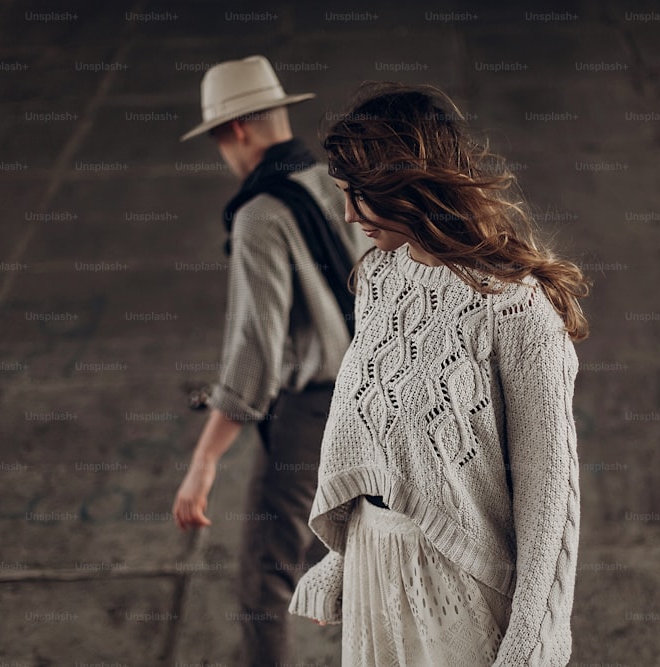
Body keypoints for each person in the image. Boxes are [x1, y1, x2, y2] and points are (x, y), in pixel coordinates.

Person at [287, 81, 590, 666]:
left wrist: (531, 642)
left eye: (360, 195)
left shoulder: (515, 309)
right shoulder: (380, 278)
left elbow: (548, 495)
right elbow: (383, 447)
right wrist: (342, 560)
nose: (348, 214)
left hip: (460, 588)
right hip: (376, 576)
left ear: (408, 186)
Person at [171, 56, 369, 666]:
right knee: (353, 557)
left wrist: (205, 460)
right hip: (374, 393)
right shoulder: (338, 184)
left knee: (266, 579)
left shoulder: (259, 215)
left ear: (233, 131)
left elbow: (255, 352)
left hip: (311, 415)